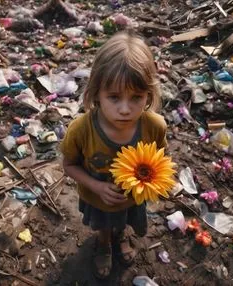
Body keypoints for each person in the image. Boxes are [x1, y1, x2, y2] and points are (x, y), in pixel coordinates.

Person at [60, 31, 168, 279]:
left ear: (148, 95)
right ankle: (104, 244)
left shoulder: (154, 126)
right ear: (96, 92)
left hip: (133, 199)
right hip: (98, 199)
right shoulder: (81, 130)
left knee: (125, 221)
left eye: (136, 98)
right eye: (114, 97)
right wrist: (97, 187)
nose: (125, 109)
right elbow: (69, 165)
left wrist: (155, 182)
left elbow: (161, 160)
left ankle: (121, 237)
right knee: (103, 226)